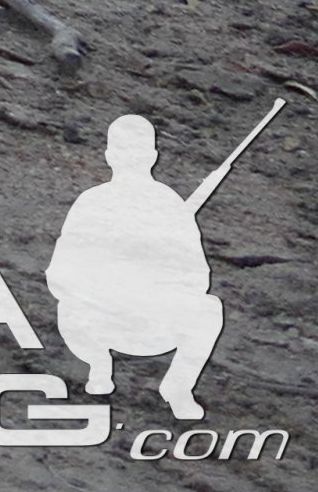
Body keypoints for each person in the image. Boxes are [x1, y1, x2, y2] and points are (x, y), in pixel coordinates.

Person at [46, 112, 234, 419]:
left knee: (209, 309)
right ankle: (98, 364)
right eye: (123, 150)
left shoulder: (170, 206)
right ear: (109, 155)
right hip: (99, 319)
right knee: (70, 305)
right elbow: (60, 274)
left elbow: (197, 278)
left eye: (137, 151)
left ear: (152, 156)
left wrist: (157, 269)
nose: (129, 158)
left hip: (153, 321)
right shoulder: (91, 202)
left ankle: (178, 387)